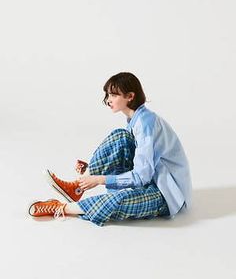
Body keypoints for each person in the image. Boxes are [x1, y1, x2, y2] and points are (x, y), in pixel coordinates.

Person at [28, 72, 192, 226]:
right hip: (151, 177)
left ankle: (61, 208)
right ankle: (77, 187)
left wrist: (100, 179)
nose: (108, 100)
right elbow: (135, 159)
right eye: (107, 95)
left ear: (130, 96)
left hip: (167, 193)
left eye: (113, 95)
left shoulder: (145, 123)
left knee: (120, 200)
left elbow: (143, 175)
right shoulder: (135, 120)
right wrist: (91, 171)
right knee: (120, 137)